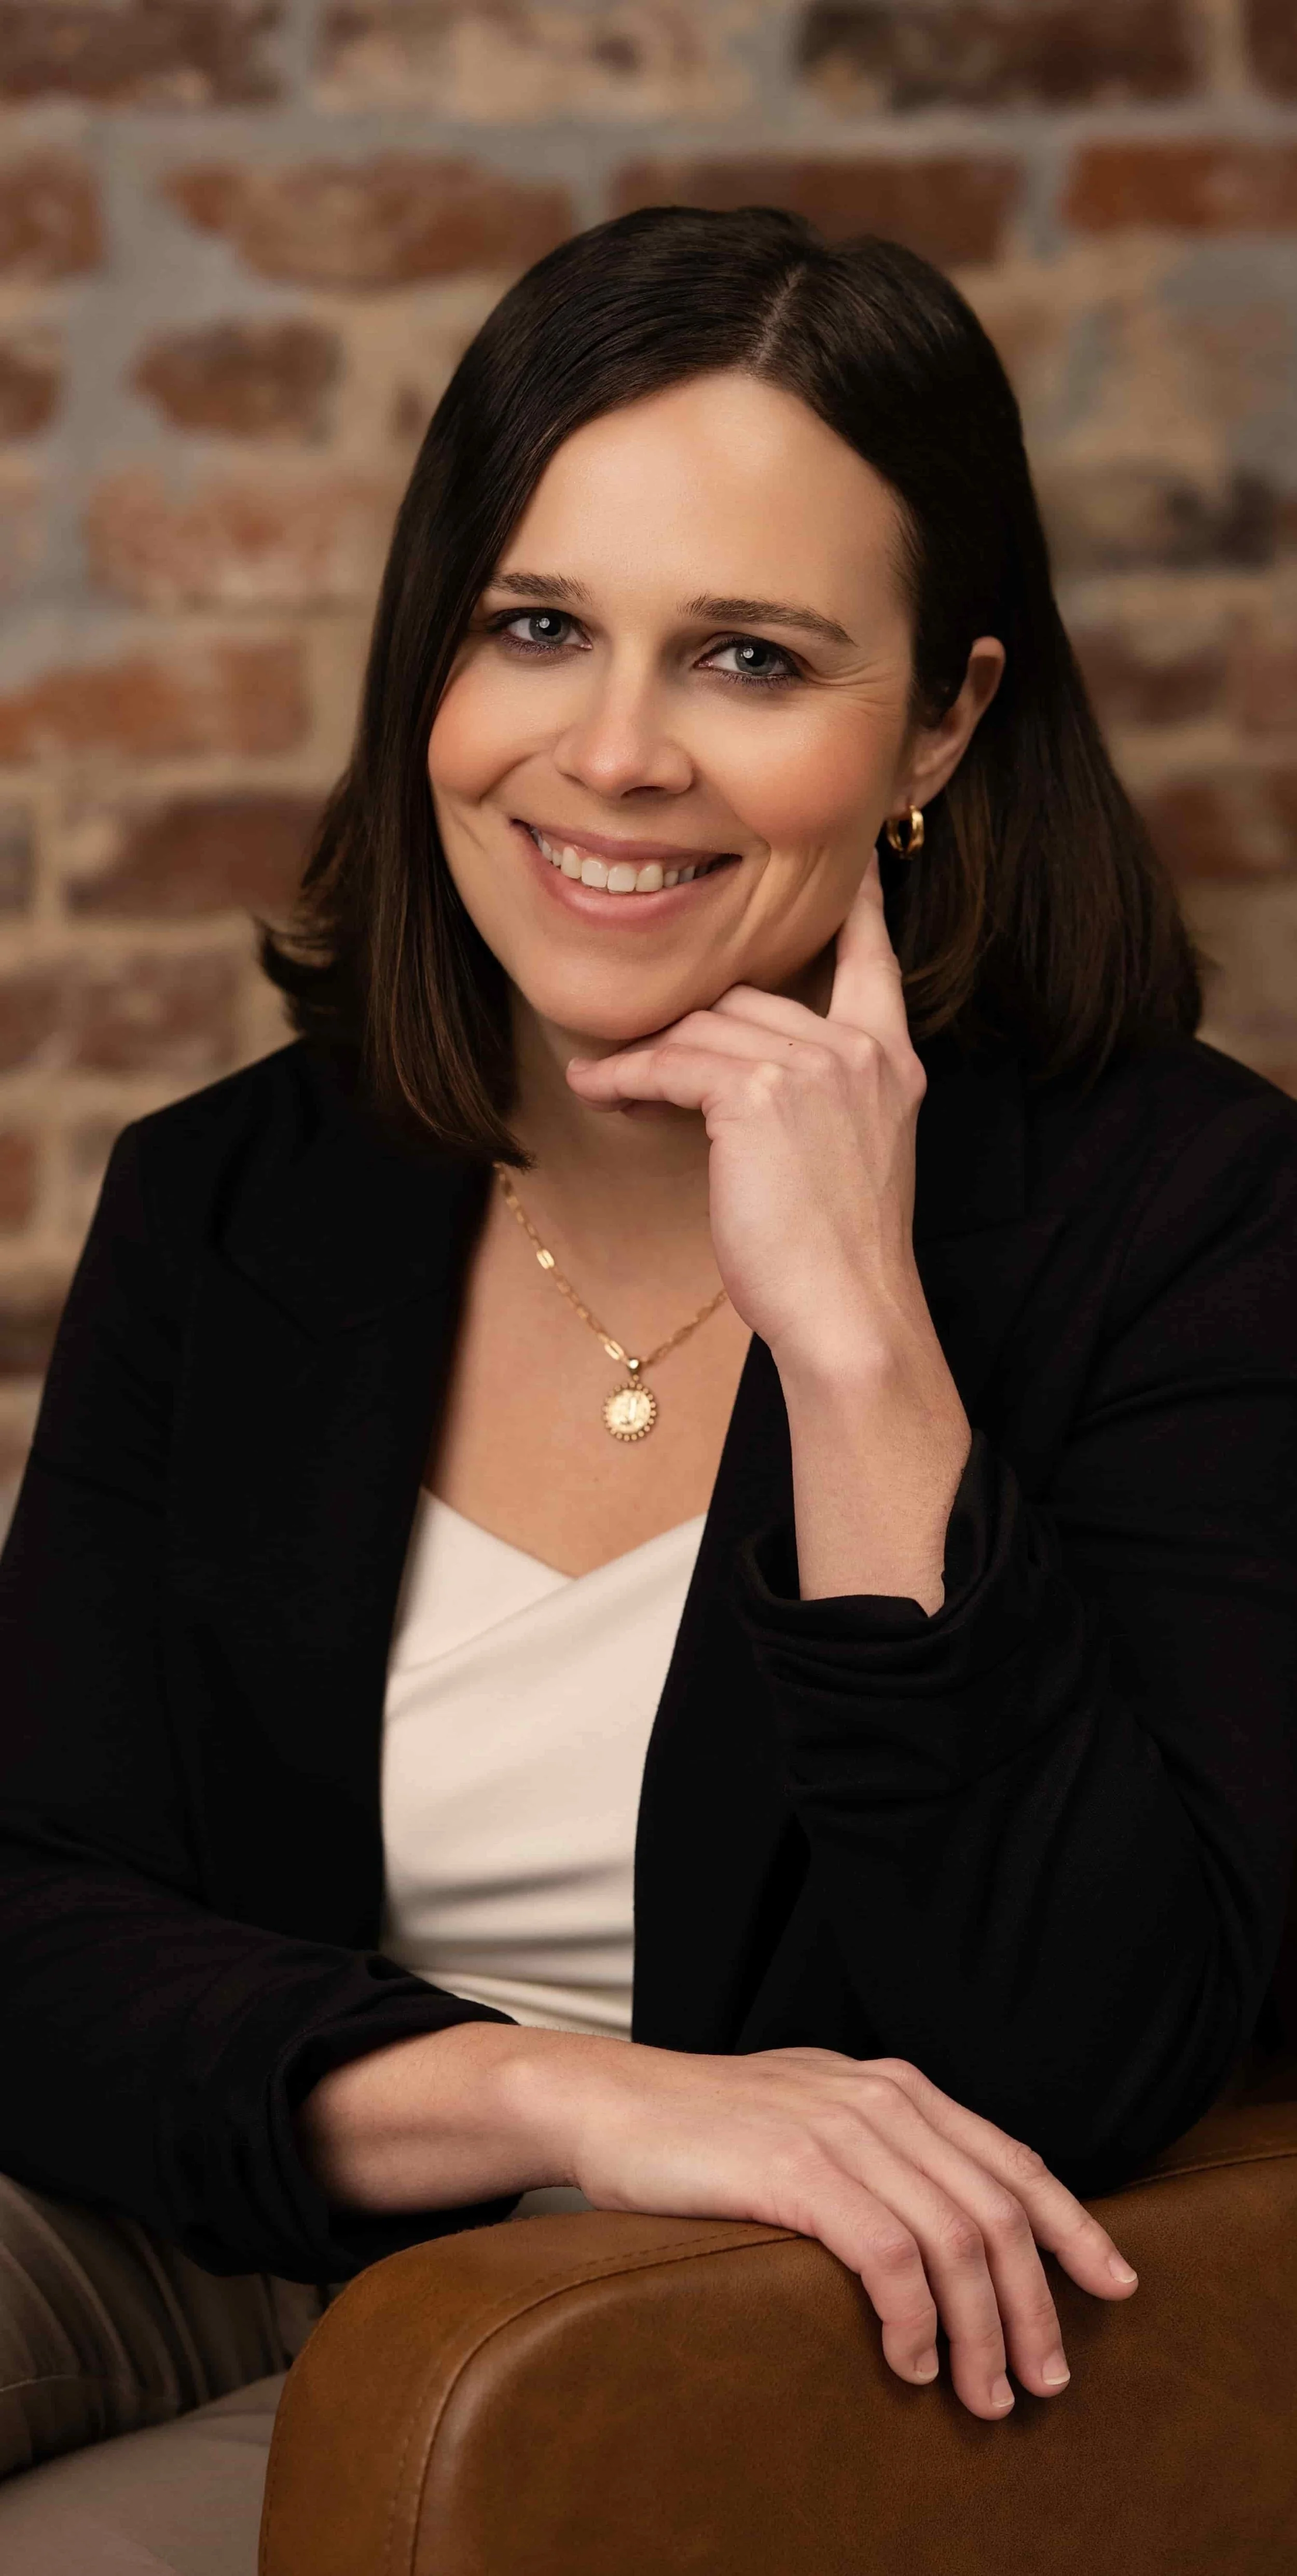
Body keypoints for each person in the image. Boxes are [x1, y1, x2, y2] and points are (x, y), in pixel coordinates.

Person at [1, 204, 1294, 2572]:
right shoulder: (231, 1194)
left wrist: (861, 1339)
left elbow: (1089, 2049)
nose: (610, 752)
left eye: (748, 656)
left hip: (749, 2325)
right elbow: (34, 1904)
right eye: (535, 626)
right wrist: (559, 2091)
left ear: (941, 723)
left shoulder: (1185, 1212)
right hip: (294, 2173)